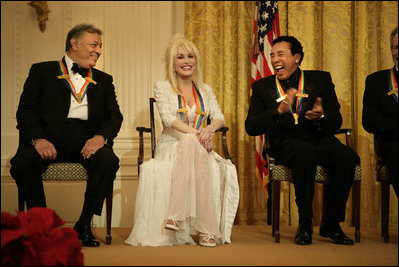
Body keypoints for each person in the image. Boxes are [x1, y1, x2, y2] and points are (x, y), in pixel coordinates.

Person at [9, 23, 123, 247]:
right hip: (47, 138)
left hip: (86, 141)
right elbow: (26, 110)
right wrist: (38, 139)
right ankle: (41, 227)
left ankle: (83, 225)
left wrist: (100, 138)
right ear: (74, 43)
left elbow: (114, 116)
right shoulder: (41, 71)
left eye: (100, 46)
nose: (99, 50)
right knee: (23, 161)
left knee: (109, 161)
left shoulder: (104, 79)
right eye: (94, 44)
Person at [125, 35, 239, 247]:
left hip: (199, 146)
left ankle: (175, 215)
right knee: (187, 140)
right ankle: (207, 230)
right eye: (180, 57)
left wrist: (209, 129)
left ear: (196, 61)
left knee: (189, 141)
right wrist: (198, 136)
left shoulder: (205, 89)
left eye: (191, 56)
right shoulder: (162, 87)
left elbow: (219, 117)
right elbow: (168, 119)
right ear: (172, 63)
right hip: (171, 145)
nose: (186, 61)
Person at [245, 36, 360, 245]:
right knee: (303, 153)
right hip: (286, 142)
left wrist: (322, 115)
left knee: (347, 157)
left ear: (296, 57)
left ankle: (331, 225)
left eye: (281, 54)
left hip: (319, 136)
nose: (274, 59)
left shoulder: (321, 80)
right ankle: (305, 223)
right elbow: (250, 126)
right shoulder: (263, 87)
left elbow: (336, 119)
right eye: (272, 55)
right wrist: (277, 111)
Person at [362, 27, 398, 197]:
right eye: (396, 47)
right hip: (392, 143)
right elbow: (368, 120)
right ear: (391, 50)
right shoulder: (376, 81)